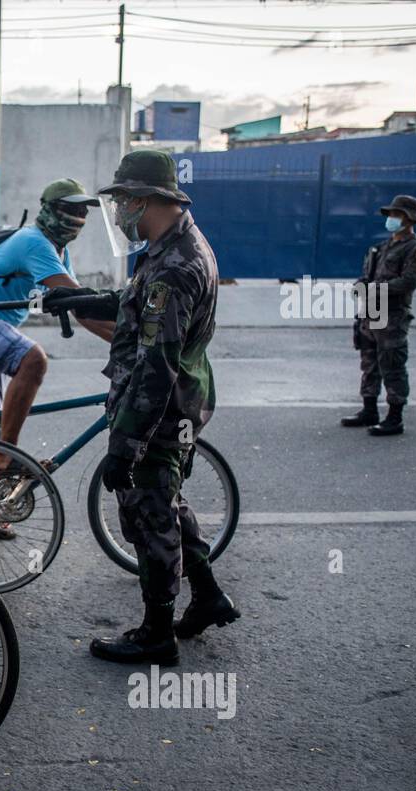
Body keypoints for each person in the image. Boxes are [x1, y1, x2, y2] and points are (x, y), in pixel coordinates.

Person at [90, 149, 240, 667]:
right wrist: (82, 301)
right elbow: (139, 311)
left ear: (145, 200)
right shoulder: (171, 248)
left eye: (121, 202)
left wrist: (125, 443)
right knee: (169, 504)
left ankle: (156, 634)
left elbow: (157, 363)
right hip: (179, 404)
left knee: (149, 516)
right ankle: (208, 596)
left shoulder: (174, 267)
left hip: (159, 411)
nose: (117, 213)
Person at [0, 179, 103, 456]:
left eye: (84, 212)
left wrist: (126, 337)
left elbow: (81, 307)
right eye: (69, 209)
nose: (78, 217)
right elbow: (81, 300)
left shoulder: (59, 251)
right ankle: (7, 457)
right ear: (47, 209)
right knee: (33, 360)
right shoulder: (33, 242)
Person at [340, 195, 416, 437]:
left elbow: (409, 282)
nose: (392, 219)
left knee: (392, 366)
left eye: (397, 215)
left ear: (409, 220)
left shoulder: (415, 248)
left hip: (393, 316)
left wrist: (375, 290)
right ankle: (369, 411)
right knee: (369, 363)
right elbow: (369, 275)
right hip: (371, 312)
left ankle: (395, 418)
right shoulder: (382, 246)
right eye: (391, 214)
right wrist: (361, 285)